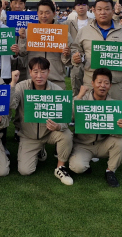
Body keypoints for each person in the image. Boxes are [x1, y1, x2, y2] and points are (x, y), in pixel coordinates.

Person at [10, 57, 74, 185]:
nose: (39, 76)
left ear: (48, 72)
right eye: (35, 71)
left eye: (43, 72)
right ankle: (40, 150)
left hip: (49, 133)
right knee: (25, 171)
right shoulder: (21, 87)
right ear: (30, 71)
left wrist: (58, 126)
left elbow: (66, 120)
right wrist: (12, 83)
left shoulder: (57, 90)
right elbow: (11, 105)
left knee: (66, 134)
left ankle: (60, 167)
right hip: (29, 136)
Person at [68, 68, 122, 188]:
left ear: (110, 85)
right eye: (99, 82)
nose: (102, 86)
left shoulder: (114, 105)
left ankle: (110, 171)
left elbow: (119, 133)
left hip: (103, 143)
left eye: (106, 83)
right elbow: (69, 116)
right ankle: (86, 165)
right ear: (92, 83)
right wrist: (79, 97)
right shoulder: (83, 100)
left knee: (120, 143)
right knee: (77, 167)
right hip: (83, 144)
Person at [70, 0, 122, 102]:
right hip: (91, 82)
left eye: (107, 9)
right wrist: (75, 57)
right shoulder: (84, 31)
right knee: (89, 115)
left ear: (113, 10)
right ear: (93, 10)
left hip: (116, 85)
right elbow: (76, 49)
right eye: (99, 9)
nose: (103, 12)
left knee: (115, 117)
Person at [18, 0, 71, 90]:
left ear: (54, 13)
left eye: (47, 13)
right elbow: (22, 53)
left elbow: (68, 62)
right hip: (33, 80)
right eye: (41, 13)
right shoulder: (29, 32)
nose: (44, 16)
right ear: (37, 14)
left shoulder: (63, 33)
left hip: (56, 79)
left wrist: (67, 54)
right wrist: (22, 39)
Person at [66, 0, 93, 99]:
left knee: (91, 88)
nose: (81, 7)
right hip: (76, 59)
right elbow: (55, 27)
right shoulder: (69, 23)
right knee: (76, 89)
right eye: (78, 5)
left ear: (88, 7)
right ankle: (75, 111)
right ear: (74, 8)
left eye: (83, 5)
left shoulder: (94, 22)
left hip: (90, 57)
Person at [7, 0, 29, 81]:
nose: (17, 6)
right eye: (15, 3)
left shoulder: (31, 22)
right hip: (7, 66)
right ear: (10, 3)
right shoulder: (4, 20)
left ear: (24, 5)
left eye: (20, 3)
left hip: (25, 66)